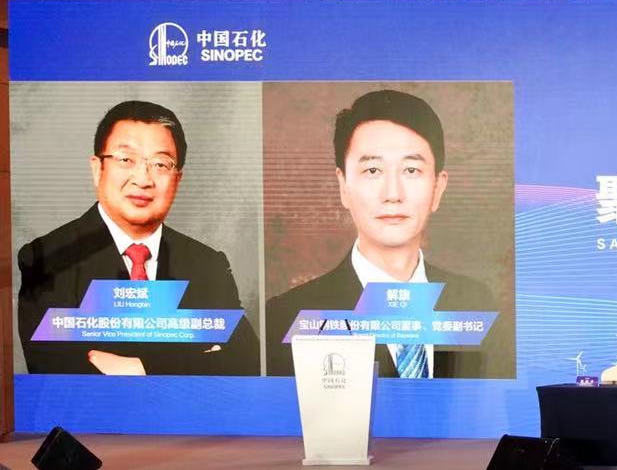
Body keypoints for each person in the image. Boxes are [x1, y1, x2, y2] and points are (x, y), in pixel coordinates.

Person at [265, 89, 506, 378]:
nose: (392, 193)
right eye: (372, 171)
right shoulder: (288, 315)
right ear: (343, 186)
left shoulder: (476, 302)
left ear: (438, 188)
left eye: (411, 170)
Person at [17, 99, 258, 375]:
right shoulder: (46, 258)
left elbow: (246, 362)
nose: (142, 179)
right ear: (97, 168)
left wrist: (142, 367)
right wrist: (195, 360)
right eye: (126, 160)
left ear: (177, 179)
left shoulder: (206, 264)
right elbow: (56, 369)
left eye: (160, 164)